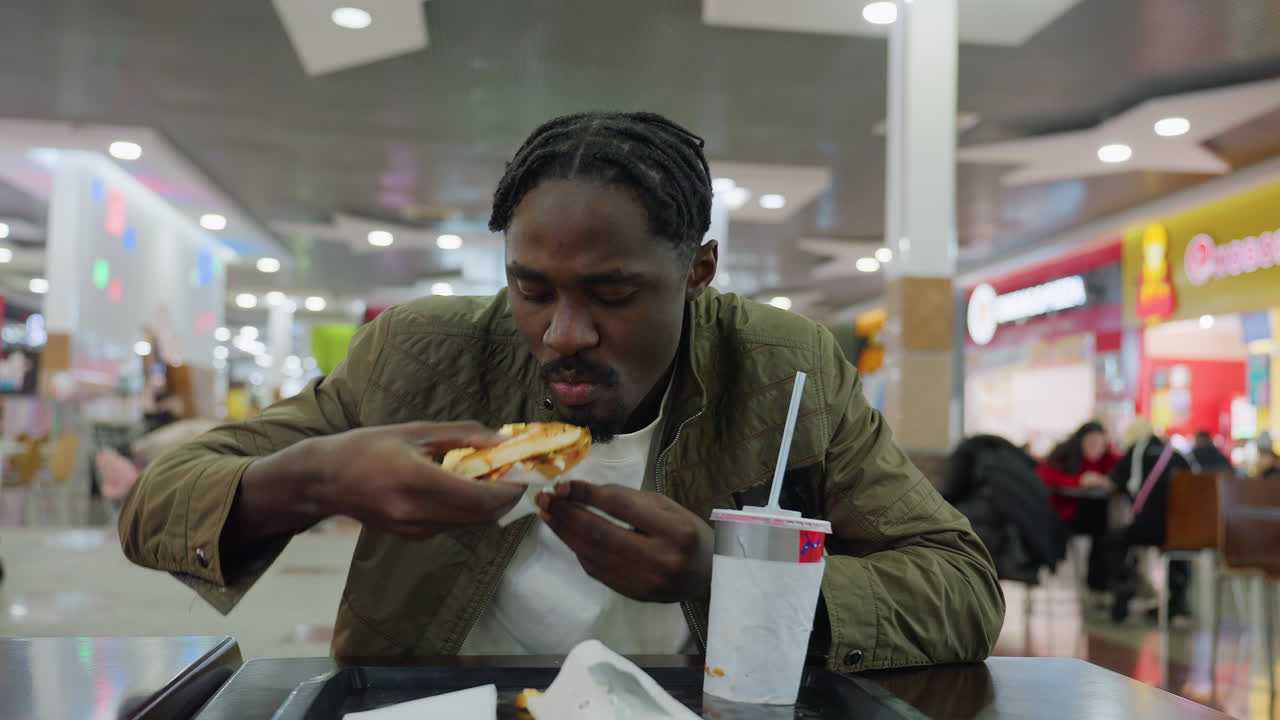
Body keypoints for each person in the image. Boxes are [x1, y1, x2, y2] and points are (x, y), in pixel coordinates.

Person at [118, 111, 1004, 670]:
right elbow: (155, 506)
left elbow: (962, 586)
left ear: (697, 270)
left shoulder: (785, 369)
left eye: (613, 294)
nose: (562, 333)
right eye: (531, 288)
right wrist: (317, 479)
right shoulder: (419, 353)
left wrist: (728, 577)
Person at [942, 435, 1063, 585]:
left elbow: (951, 490)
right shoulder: (1013, 461)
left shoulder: (969, 453)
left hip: (994, 536)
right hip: (1030, 542)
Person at [1106, 420, 1194, 622]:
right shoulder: (1175, 453)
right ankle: (1177, 602)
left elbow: (1115, 481)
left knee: (1114, 541)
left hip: (1148, 526)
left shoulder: (1137, 452)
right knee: (1177, 551)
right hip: (1182, 531)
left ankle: (1123, 587)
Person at [1037, 421, 1119, 601]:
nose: (1095, 448)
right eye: (1091, 443)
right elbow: (1045, 476)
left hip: (1097, 517)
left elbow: (1120, 473)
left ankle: (1100, 585)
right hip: (1065, 515)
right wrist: (1078, 481)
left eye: (1100, 444)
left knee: (1109, 536)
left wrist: (1107, 482)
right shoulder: (1064, 455)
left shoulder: (1110, 458)